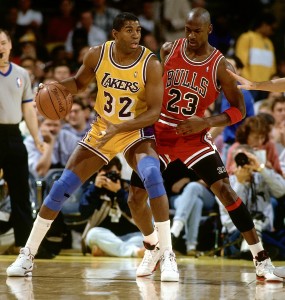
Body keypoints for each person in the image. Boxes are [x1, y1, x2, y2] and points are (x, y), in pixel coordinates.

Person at [6, 12, 179, 282]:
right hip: (102, 130)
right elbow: (78, 83)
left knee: (153, 176)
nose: (136, 35)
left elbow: (155, 112)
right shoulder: (96, 55)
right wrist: (54, 87)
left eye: (138, 30)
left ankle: (167, 254)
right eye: (129, 30)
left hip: (135, 131)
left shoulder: (151, 63)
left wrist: (120, 127)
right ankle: (27, 255)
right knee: (61, 186)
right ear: (114, 34)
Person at [127, 8, 283, 282]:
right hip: (161, 132)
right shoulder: (167, 50)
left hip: (193, 135)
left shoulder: (221, 66)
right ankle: (151, 246)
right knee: (134, 197)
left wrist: (205, 122)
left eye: (196, 30)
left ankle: (261, 259)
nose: (190, 35)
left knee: (226, 191)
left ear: (209, 30)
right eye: (187, 29)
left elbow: (238, 111)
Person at [0, 29, 43, 254]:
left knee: (20, 192)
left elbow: (28, 108)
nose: (0, 47)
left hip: (15, 136)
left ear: (10, 45)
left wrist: (37, 138)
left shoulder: (21, 74)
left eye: (3, 42)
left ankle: (23, 247)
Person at [218, 144, 285, 258]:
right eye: (238, 159)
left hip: (264, 232)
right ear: (233, 163)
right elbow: (231, 209)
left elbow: (282, 191)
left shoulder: (263, 177)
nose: (243, 162)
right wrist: (240, 183)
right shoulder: (225, 184)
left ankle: (252, 251)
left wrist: (261, 168)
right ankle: (260, 251)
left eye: (247, 159)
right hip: (237, 233)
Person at [80, 156, 145, 258]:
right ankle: (134, 252)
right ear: (99, 173)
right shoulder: (93, 189)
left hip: (129, 236)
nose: (109, 178)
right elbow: (83, 213)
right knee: (92, 234)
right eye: (106, 174)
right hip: (105, 236)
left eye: (113, 174)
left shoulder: (128, 187)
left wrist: (119, 192)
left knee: (145, 239)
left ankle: (107, 250)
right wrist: (95, 190)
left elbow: (136, 212)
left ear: (120, 173)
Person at [163, 159, 216, 256]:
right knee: (196, 203)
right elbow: (173, 188)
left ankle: (176, 229)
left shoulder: (201, 157)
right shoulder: (170, 162)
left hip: (206, 195)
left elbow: (211, 181)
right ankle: (191, 246)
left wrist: (188, 180)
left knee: (193, 187)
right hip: (179, 198)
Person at [234, 12, 277, 102]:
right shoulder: (247, 37)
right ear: (264, 24)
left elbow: (272, 67)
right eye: (271, 28)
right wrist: (248, 83)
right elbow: (241, 63)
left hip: (266, 87)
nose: (272, 31)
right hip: (250, 85)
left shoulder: (269, 43)